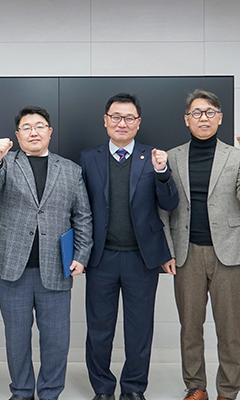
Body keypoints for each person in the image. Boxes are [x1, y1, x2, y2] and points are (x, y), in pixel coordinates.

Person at [0, 106, 93, 400]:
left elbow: (82, 216)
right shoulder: (5, 163)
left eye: (39, 126)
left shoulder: (70, 170)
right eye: (26, 127)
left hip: (56, 267)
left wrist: (81, 255)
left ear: (49, 132)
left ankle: (50, 392)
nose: (33, 132)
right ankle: (22, 391)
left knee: (57, 339)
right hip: (12, 267)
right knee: (17, 338)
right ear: (17, 135)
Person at [158, 90, 240, 400]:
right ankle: (196, 387)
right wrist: (168, 251)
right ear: (186, 119)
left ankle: (227, 391)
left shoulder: (236, 155)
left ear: (220, 118)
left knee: (229, 328)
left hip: (228, 251)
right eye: (197, 112)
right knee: (190, 326)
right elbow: (164, 209)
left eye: (210, 112)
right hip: (186, 252)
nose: (204, 117)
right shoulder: (172, 157)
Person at [79, 93, 179, 400]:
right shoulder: (89, 157)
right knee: (99, 330)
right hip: (101, 258)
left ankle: (134, 388)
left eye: (129, 118)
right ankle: (102, 389)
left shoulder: (154, 156)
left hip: (142, 258)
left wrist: (162, 172)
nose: (122, 123)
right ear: (105, 121)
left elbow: (170, 203)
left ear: (138, 123)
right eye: (116, 117)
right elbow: (80, 207)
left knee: (139, 329)